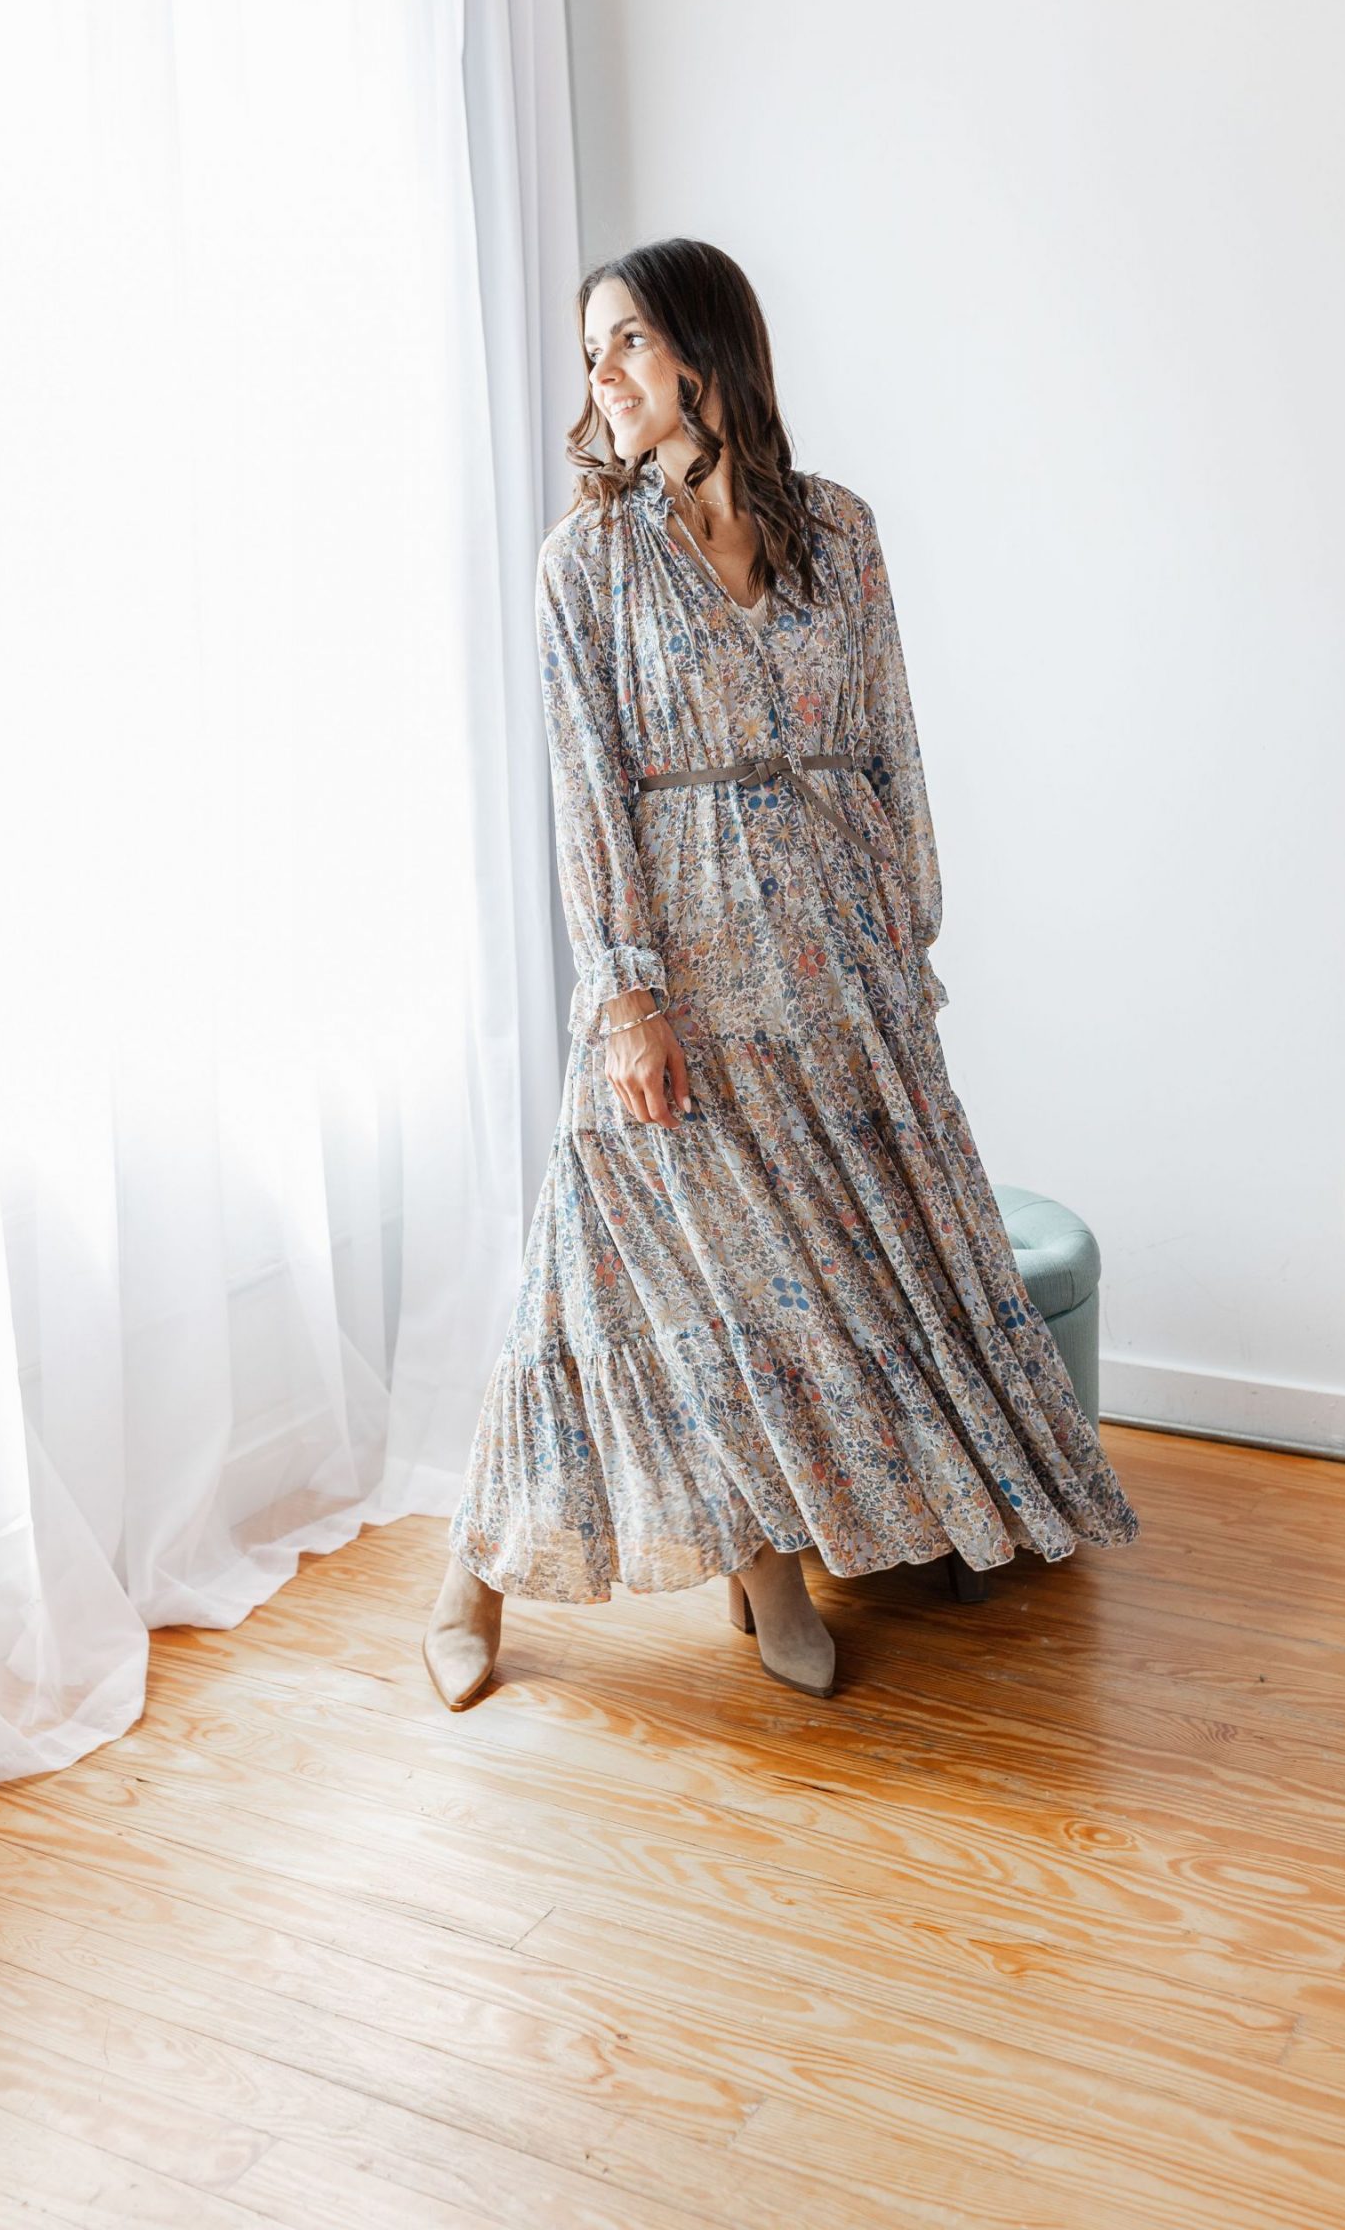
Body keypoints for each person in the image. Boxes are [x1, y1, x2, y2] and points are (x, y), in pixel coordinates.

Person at [422, 236, 1140, 1709]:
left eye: (627, 340)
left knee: (785, 1273)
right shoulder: (586, 565)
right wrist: (627, 995)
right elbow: (587, 790)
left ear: (707, 345)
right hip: (681, 964)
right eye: (591, 352)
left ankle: (765, 1565)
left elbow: (890, 743)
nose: (603, 375)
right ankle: (481, 1576)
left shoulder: (838, 531)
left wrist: (903, 937)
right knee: (613, 1255)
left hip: (833, 955)